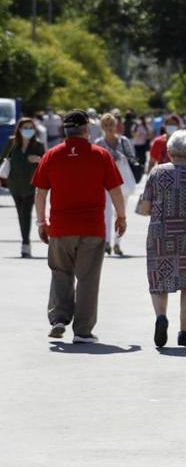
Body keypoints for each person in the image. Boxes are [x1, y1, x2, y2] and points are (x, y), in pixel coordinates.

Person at [33, 110, 126, 344]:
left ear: (65, 130)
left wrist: (42, 222)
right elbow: (115, 190)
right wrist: (121, 217)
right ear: (86, 129)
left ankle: (59, 319)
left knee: (60, 272)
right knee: (88, 278)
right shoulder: (100, 155)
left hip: (61, 227)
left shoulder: (51, 156)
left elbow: (40, 192)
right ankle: (83, 330)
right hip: (92, 228)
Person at [137, 130, 186, 348]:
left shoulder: (157, 173)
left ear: (169, 152)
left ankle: (161, 317)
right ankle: (185, 332)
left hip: (161, 234)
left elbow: (145, 207)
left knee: (159, 278)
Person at [95, 113, 139, 256]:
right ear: (102, 127)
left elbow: (133, 158)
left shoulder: (124, 141)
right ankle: (107, 242)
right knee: (106, 211)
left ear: (116, 125)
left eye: (111, 124)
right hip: (105, 181)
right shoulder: (98, 143)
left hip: (122, 180)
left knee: (120, 213)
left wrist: (121, 157)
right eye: (106, 125)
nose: (109, 128)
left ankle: (118, 243)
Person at [4, 117, 45, 258]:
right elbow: (3, 158)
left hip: (31, 186)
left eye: (31, 128)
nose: (28, 130)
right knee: (20, 213)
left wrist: (38, 159)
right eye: (25, 127)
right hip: (14, 184)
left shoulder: (38, 146)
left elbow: (47, 163)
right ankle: (25, 242)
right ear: (19, 129)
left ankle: (25, 244)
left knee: (26, 214)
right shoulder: (12, 143)